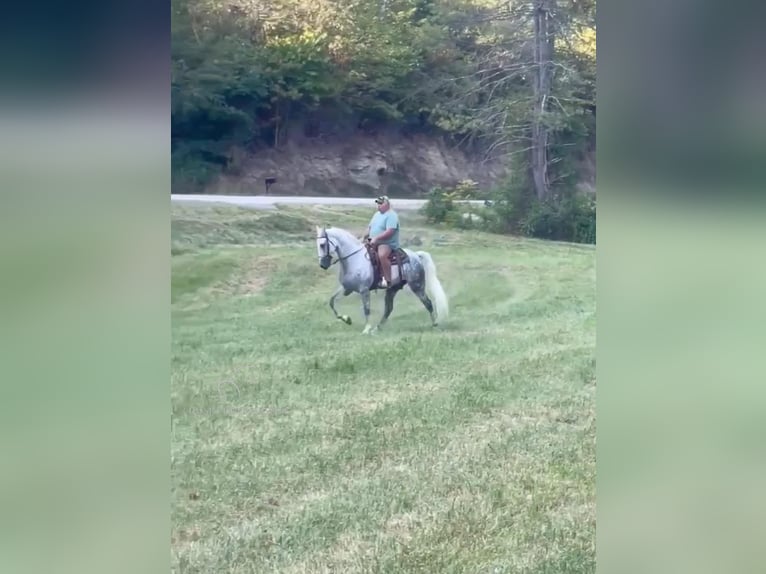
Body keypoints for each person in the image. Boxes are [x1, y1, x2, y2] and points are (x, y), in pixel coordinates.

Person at [363, 195, 400, 288]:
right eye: (378, 204)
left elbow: (390, 231)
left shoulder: (392, 215)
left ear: (387, 204)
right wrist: (364, 237)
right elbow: (370, 227)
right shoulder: (376, 215)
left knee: (382, 255)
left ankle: (388, 280)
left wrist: (377, 238)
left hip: (386, 242)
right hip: (373, 241)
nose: (378, 206)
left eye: (380, 204)